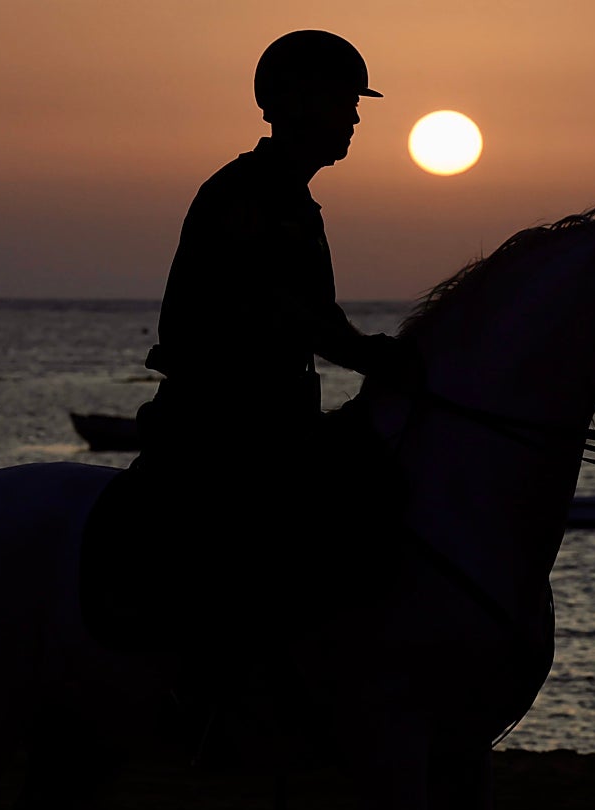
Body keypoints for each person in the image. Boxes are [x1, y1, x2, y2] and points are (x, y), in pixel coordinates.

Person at [81, 31, 421, 658]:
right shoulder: (248, 195)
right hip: (224, 425)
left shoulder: (292, 199)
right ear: (295, 102)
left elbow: (312, 315)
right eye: (344, 100)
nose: (353, 117)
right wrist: (379, 357)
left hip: (277, 417)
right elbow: (293, 314)